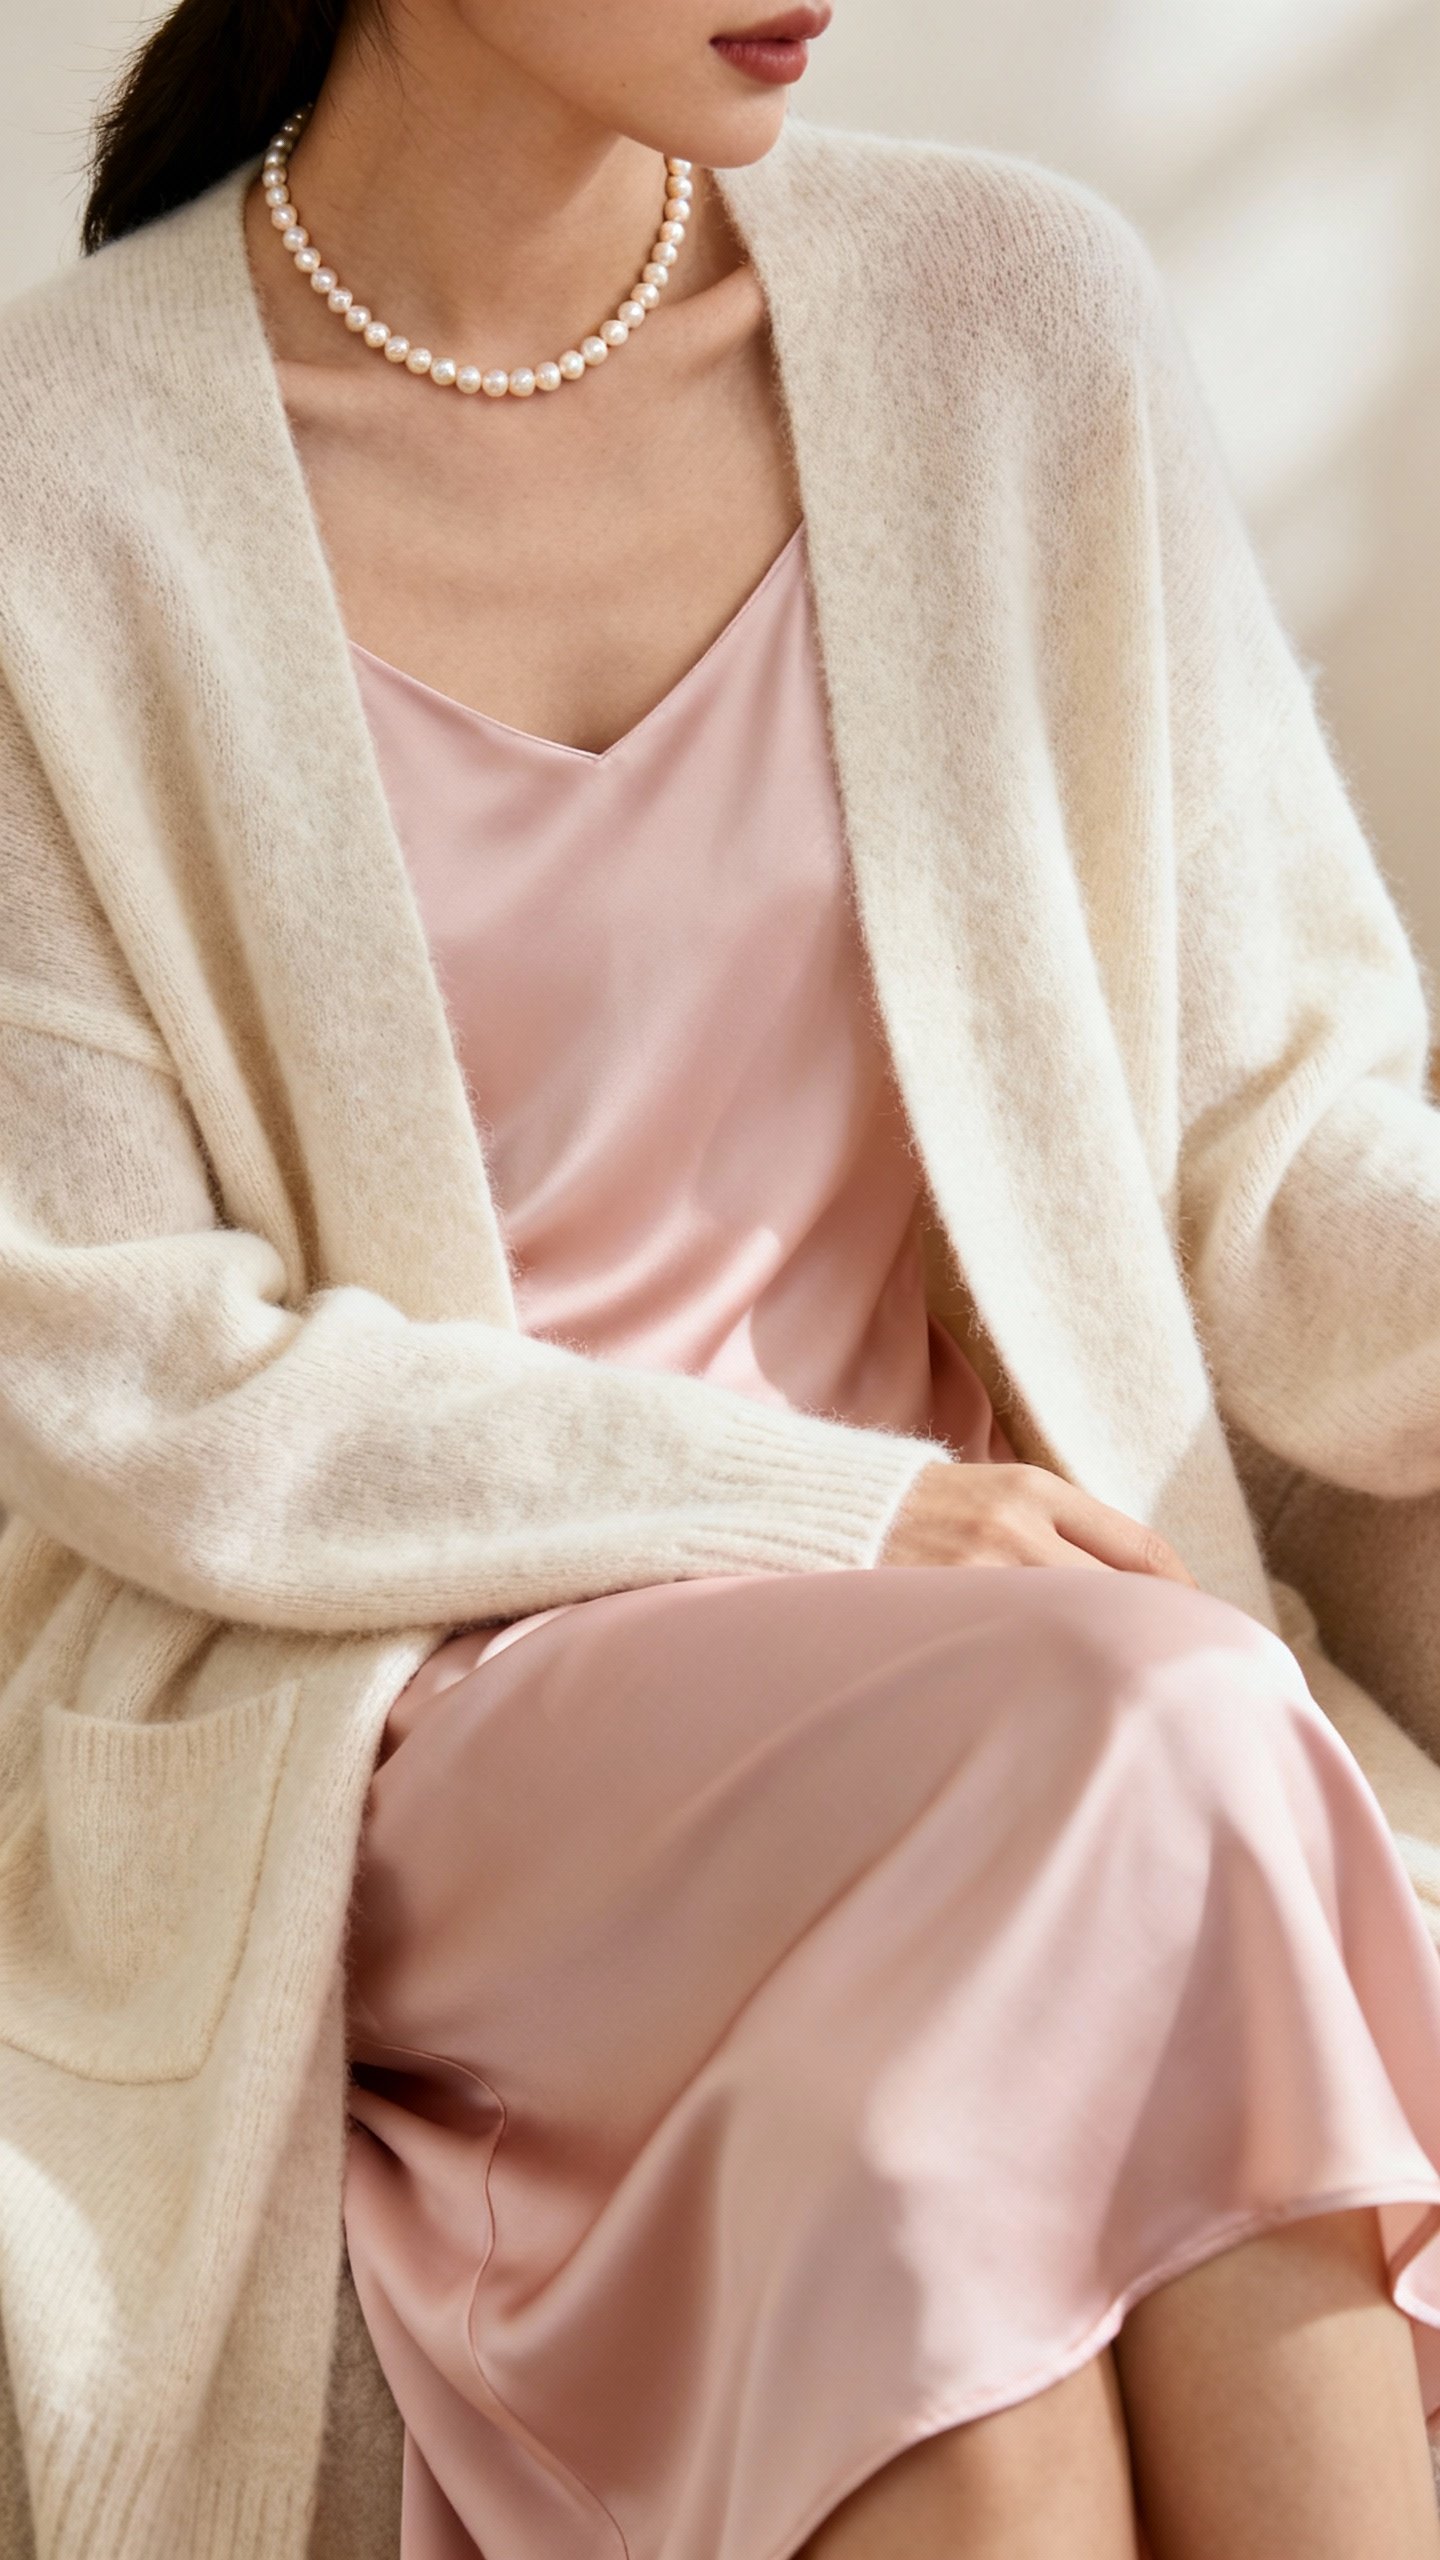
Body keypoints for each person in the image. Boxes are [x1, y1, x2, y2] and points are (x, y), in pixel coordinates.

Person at [2, 0, 1440, 2552]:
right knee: (1170, 1721)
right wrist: (823, 1505)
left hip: (998, 1709)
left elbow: (1265, 1129)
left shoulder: (1012, 322)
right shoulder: (58, 483)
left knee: (933, 2254)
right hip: (415, 1707)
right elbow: (135, 1373)